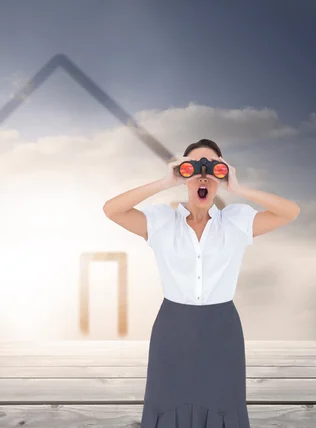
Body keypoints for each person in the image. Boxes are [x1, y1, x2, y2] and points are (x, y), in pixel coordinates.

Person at [103, 138, 300, 428]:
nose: (203, 175)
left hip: (222, 331)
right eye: (195, 169)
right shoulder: (161, 221)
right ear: (184, 176)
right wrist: (165, 181)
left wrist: (239, 188)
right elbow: (112, 210)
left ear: (222, 176)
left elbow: (290, 212)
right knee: (167, 407)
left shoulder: (236, 221)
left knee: (223, 408)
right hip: (173, 331)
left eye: (212, 168)